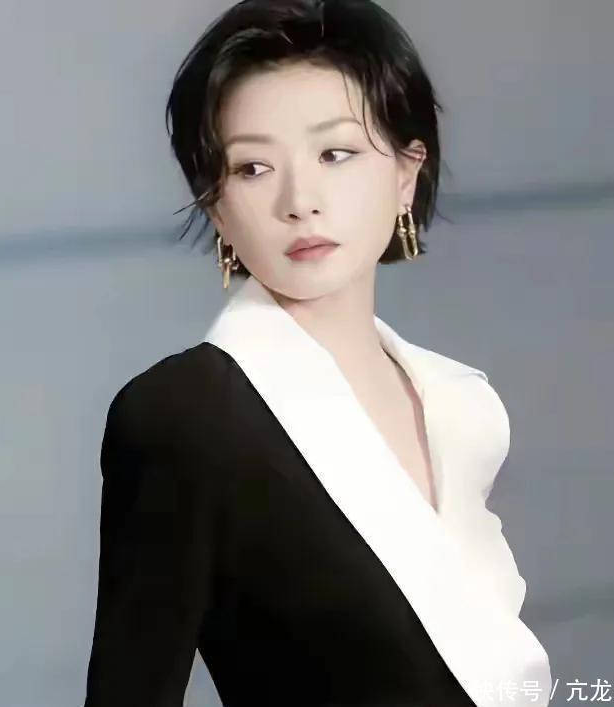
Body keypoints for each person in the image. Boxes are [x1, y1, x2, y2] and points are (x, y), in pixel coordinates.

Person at [83, 1, 553, 705]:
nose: (300, 201)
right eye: (252, 168)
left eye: (336, 154)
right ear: (215, 206)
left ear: (407, 172)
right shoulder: (185, 416)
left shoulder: (461, 405)